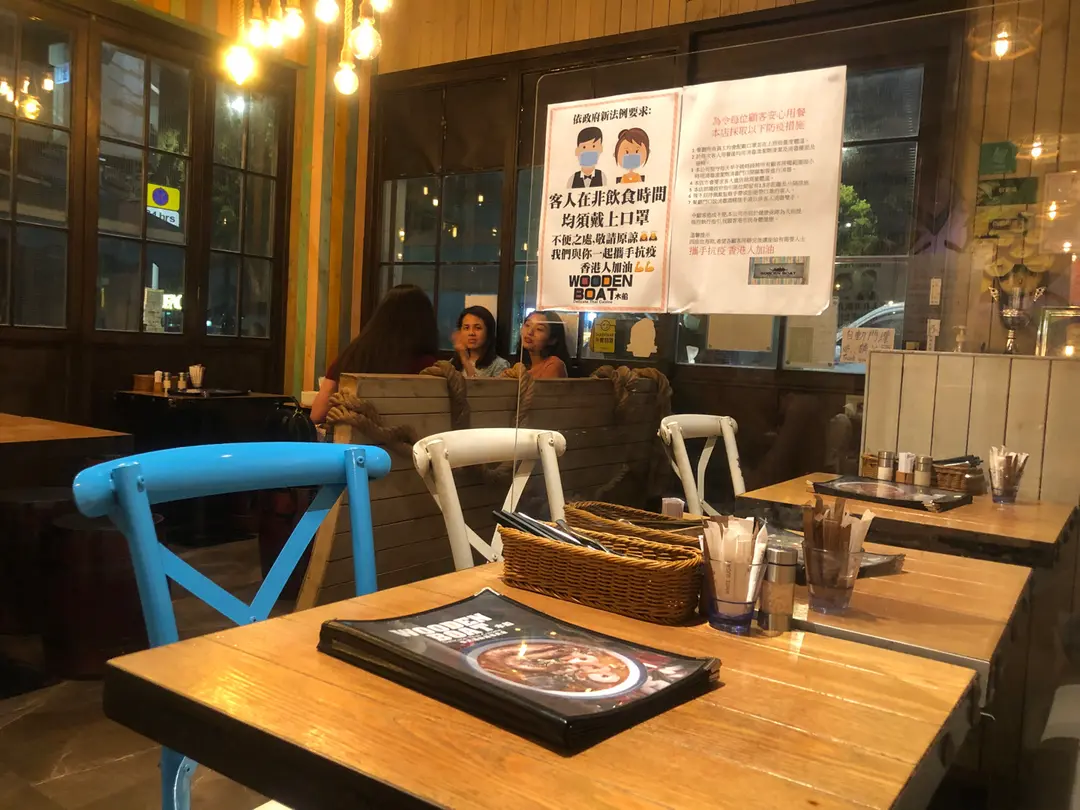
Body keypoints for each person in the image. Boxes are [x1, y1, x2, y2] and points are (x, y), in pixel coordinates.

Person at [310, 284, 438, 423]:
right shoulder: (427, 367)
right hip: (402, 436)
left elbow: (316, 414)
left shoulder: (353, 354)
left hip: (347, 434)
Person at [451, 305, 510, 378]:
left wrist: (465, 360)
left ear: (488, 332)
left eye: (477, 328)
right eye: (466, 328)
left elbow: (475, 385)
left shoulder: (499, 365)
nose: (471, 333)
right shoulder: (453, 363)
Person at [518, 310, 570, 379]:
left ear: (552, 339)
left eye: (539, 329)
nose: (530, 332)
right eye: (527, 325)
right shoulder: (524, 367)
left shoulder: (553, 365)